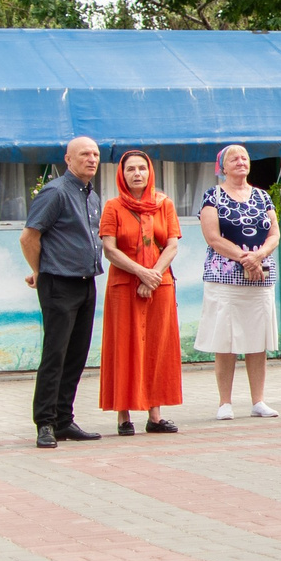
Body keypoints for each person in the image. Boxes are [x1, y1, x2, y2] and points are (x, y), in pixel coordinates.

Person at [21, 135, 105, 448]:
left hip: (86, 282)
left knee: (76, 355)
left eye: (95, 154)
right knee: (55, 354)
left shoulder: (91, 194)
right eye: (84, 154)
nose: (92, 159)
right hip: (59, 283)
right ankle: (44, 422)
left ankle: (63, 419)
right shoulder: (55, 192)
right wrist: (40, 271)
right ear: (68, 159)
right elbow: (29, 237)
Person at [99, 149, 183, 435]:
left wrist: (153, 275)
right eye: (131, 169)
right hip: (125, 285)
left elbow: (171, 244)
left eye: (142, 169)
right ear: (121, 175)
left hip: (160, 285)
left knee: (157, 346)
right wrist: (141, 273)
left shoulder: (164, 204)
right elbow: (109, 249)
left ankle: (155, 415)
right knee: (124, 345)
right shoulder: (113, 206)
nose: (137, 174)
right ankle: (123, 416)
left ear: (150, 173)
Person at [197, 143, 281, 420]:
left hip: (260, 276)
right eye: (233, 159)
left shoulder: (262, 196)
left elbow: (274, 235)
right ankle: (225, 403)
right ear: (222, 166)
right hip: (225, 278)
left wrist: (259, 256)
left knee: (258, 339)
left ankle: (259, 400)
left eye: (244, 158)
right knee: (226, 340)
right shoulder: (213, 196)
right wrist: (245, 258)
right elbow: (213, 237)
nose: (240, 162)